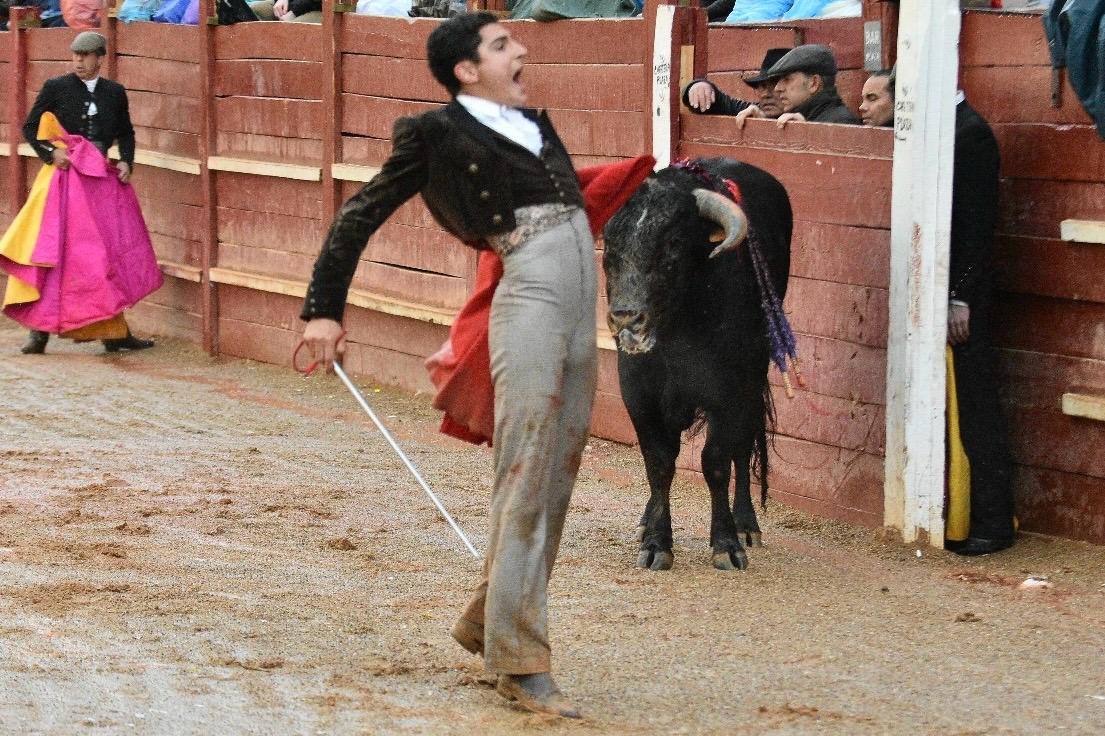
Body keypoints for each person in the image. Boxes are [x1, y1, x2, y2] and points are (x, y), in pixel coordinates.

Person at [300, 12, 595, 718]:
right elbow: (360, 213)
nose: (519, 50)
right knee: (524, 468)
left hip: (582, 301)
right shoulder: (435, 133)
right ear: (466, 69)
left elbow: (587, 195)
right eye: (501, 46)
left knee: (558, 466)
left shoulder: (532, 122)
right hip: (527, 291)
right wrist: (322, 308)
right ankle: (519, 661)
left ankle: (489, 617)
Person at [18, 31, 155, 355]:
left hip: (100, 181)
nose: (78, 61)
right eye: (75, 55)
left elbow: (126, 132)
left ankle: (114, 332)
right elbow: (29, 127)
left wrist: (126, 162)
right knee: (58, 251)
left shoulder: (114, 93)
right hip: (65, 179)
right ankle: (40, 332)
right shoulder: (57, 87)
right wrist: (51, 154)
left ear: (100, 58)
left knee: (107, 252)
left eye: (86, 56)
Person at [943, 93, 1016, 556]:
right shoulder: (951, 127)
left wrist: (960, 297)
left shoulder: (969, 134)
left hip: (963, 296)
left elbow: (975, 227)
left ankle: (992, 522)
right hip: (950, 290)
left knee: (975, 403)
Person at [738, 44, 859, 128]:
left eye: (787, 79)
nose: (777, 88)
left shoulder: (840, 123)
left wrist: (807, 134)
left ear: (814, 83)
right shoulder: (804, 117)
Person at [681, 47, 789, 121]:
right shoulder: (754, 110)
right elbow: (721, 104)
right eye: (762, 87)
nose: (765, 94)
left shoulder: (804, 116)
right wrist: (698, 86)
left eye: (774, 85)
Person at [248, 0, 321, 22]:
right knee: (253, 10)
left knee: (290, 28)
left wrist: (294, 11)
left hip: (320, 8)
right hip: (291, 3)